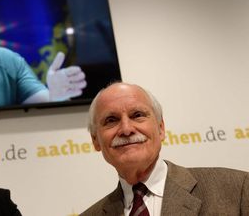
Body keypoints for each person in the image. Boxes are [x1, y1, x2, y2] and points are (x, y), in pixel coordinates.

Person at [80, 82, 249, 215]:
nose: (126, 129)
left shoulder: (236, 188)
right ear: (95, 140)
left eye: (137, 115)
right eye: (111, 120)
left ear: (161, 129)